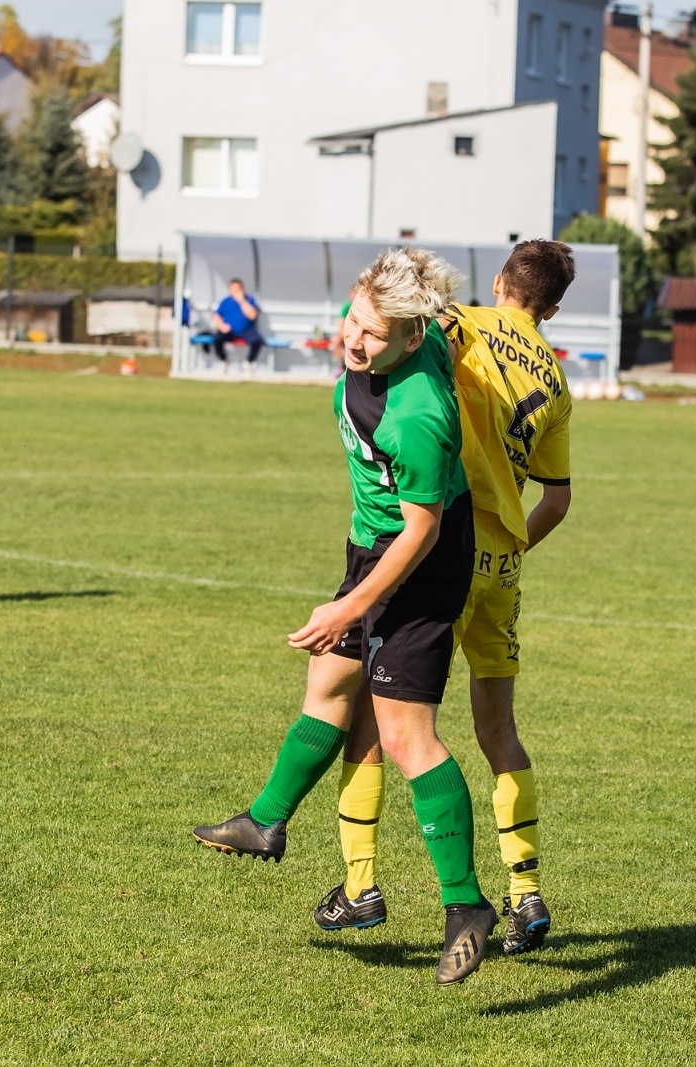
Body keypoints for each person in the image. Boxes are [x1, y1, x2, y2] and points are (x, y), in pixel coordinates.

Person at [193, 248, 498, 986]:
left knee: (403, 735)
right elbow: (439, 306)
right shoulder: (401, 337)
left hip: (419, 565)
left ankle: (467, 906)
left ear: (411, 339)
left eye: (371, 335)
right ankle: (266, 821)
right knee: (327, 688)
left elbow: (423, 530)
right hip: (371, 551)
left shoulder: (419, 412)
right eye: (352, 320)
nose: (353, 341)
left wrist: (353, 605)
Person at [315, 240, 575, 956]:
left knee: (377, 716)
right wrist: (513, 547)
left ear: (499, 283)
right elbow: (557, 500)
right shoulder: (556, 380)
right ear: (552, 309)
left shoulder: (459, 322)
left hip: (441, 549)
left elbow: (409, 329)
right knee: (498, 729)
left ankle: (361, 885)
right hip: (500, 565)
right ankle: (526, 892)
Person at [210, 278, 264, 372]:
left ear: (242, 289)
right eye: (233, 290)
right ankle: (223, 360)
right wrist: (222, 326)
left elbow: (252, 316)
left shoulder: (249, 300)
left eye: (237, 290)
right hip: (229, 331)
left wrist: (242, 301)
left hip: (246, 330)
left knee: (257, 340)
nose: (235, 292)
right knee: (217, 338)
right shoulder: (226, 301)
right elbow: (216, 316)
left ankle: (248, 362)